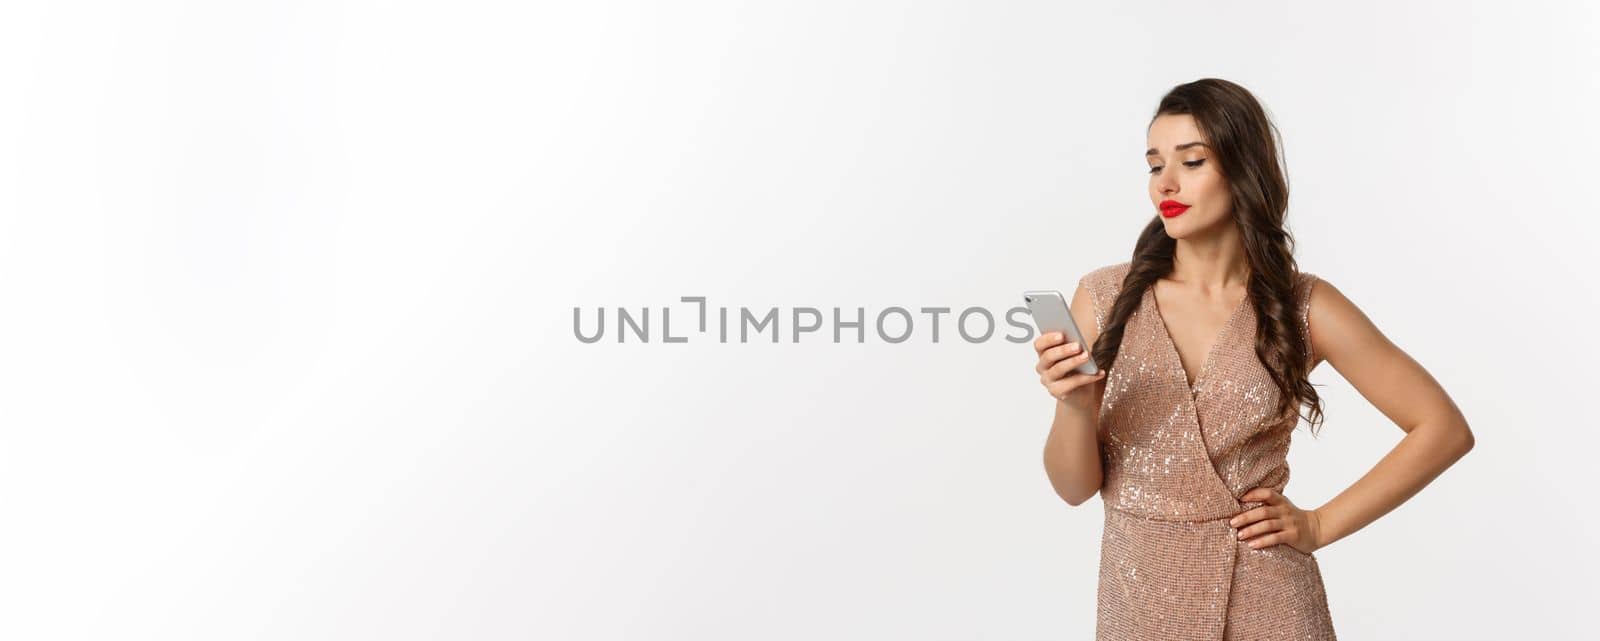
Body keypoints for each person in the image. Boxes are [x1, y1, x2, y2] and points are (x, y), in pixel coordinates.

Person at [1034, 78, 1475, 641]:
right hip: (1137, 602)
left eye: (1191, 161)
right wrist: (1075, 403)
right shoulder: (1103, 297)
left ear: (1243, 170)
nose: (1165, 182)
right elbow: (1072, 489)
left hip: (1267, 600)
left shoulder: (1306, 306)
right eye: (1153, 165)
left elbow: (1443, 428)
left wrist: (1319, 524)